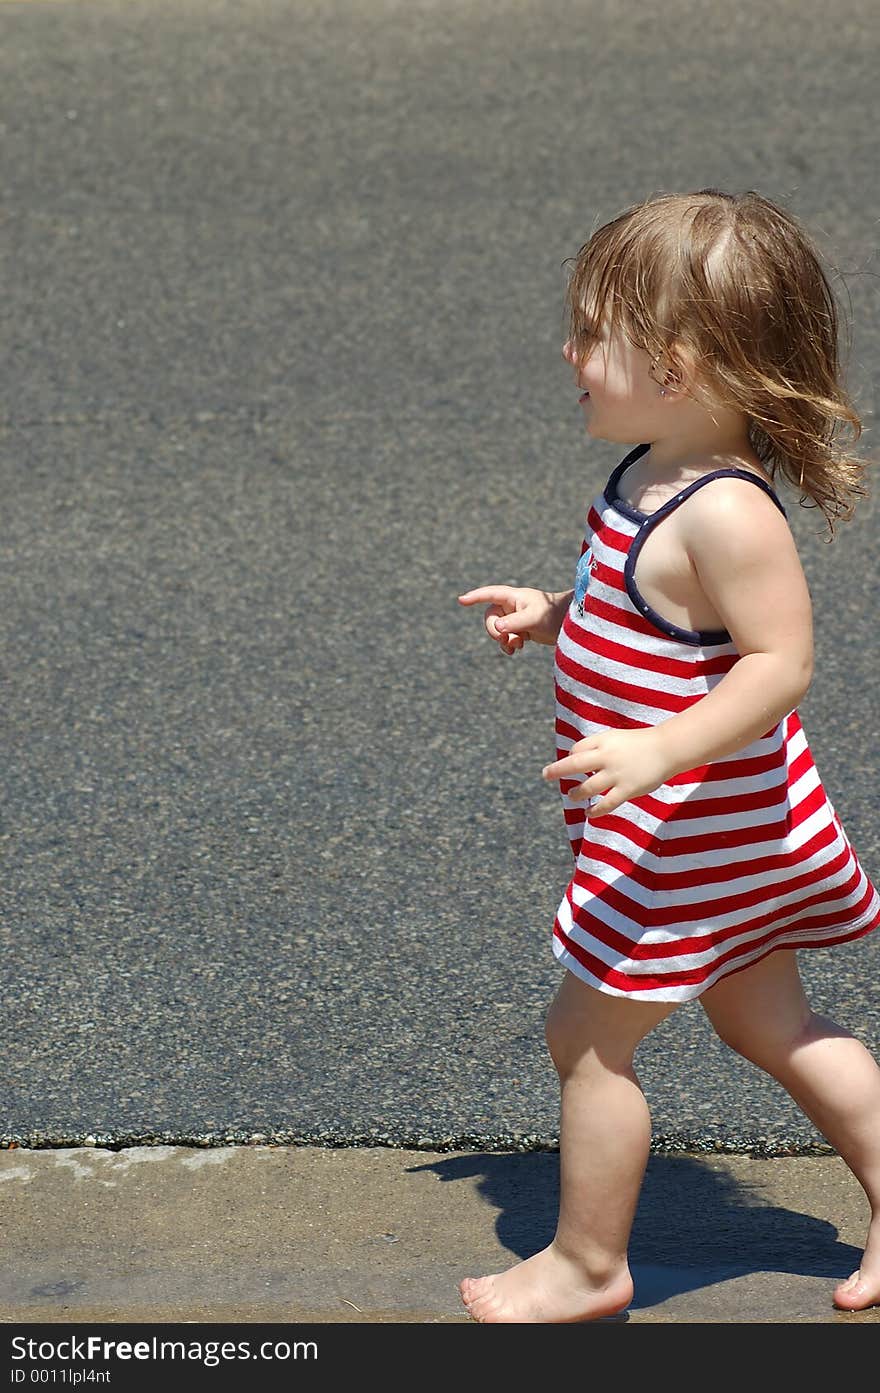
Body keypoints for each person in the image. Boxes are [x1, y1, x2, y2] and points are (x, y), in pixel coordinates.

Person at [456, 188, 880, 1322]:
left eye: (594, 332)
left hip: (688, 830)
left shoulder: (728, 514)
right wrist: (551, 611)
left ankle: (589, 1266)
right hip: (702, 821)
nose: (570, 350)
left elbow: (778, 663)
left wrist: (656, 750)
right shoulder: (650, 478)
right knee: (766, 1022)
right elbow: (644, 616)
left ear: (681, 366)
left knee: (584, 1037)